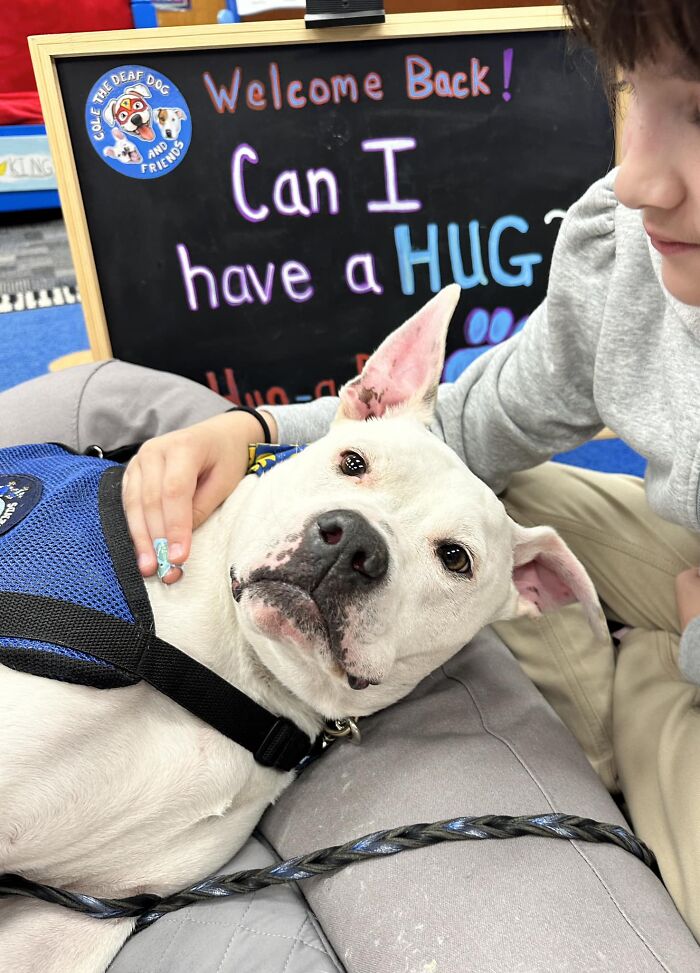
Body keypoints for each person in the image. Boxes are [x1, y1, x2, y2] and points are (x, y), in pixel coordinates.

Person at [114, 0, 700, 940]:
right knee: (482, 503)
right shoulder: (622, 254)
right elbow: (459, 431)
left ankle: (642, 693)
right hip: (676, 531)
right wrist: (254, 429)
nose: (634, 179)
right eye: (635, 93)